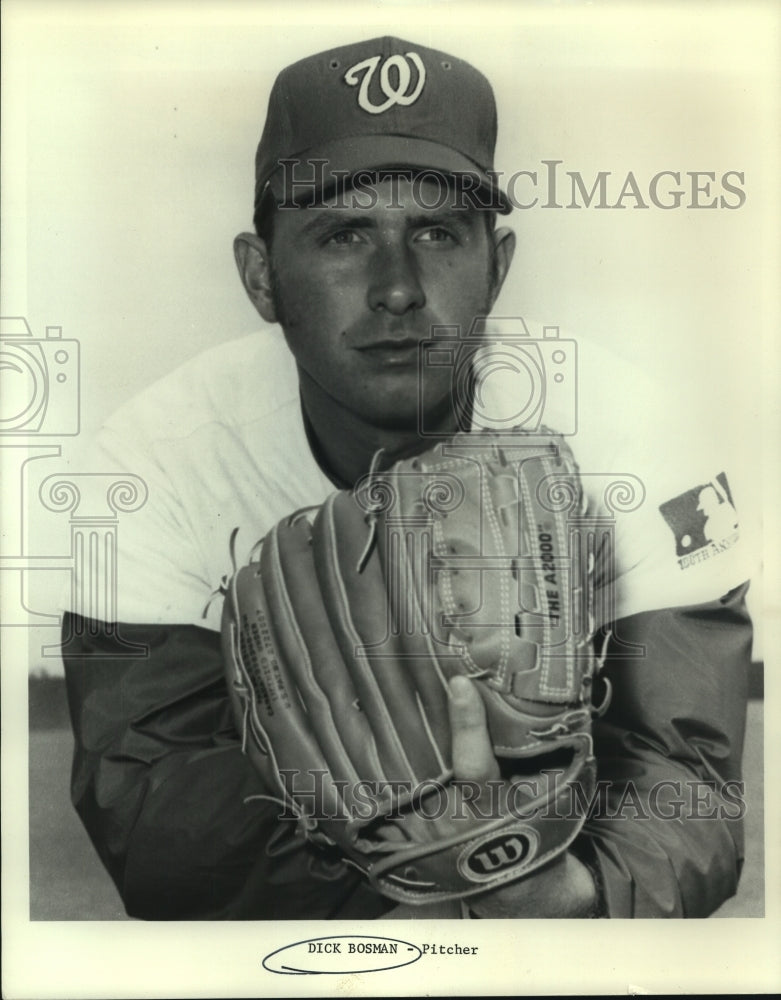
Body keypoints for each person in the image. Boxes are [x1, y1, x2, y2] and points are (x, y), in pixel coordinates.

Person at [62, 35, 755, 919]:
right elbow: (148, 798)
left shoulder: (643, 435)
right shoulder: (144, 463)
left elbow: (687, 776)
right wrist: (420, 909)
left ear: (496, 267)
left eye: (435, 231)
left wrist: (560, 895)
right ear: (260, 276)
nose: (397, 288)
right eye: (343, 234)